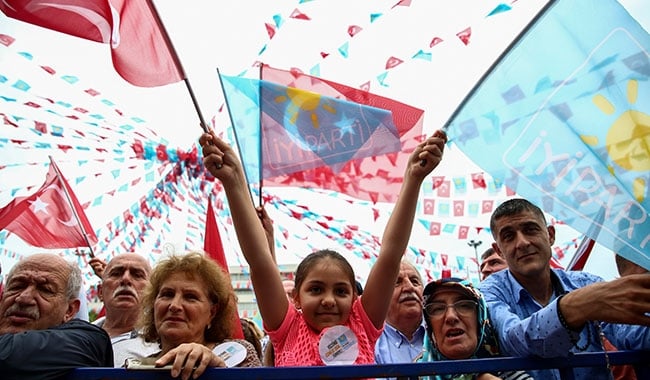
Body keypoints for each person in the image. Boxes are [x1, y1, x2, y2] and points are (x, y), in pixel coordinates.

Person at [200, 128, 447, 366]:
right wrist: (234, 181)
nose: (328, 300)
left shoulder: (362, 321)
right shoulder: (286, 328)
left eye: (341, 291)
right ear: (296, 297)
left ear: (354, 298)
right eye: (316, 290)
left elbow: (391, 255)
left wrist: (413, 178)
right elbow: (259, 259)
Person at [479, 198, 650, 379]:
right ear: (499, 250)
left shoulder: (585, 283)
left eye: (530, 230)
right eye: (509, 236)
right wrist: (574, 307)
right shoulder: (488, 294)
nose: (522, 242)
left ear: (551, 235)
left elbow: (630, 334)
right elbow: (512, 339)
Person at [134, 252, 260, 378]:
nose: (174, 306)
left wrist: (216, 369)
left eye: (190, 297)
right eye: (167, 294)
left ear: (212, 312)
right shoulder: (135, 368)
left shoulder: (238, 355)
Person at [0, 253, 113, 379]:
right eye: (17, 286)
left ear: (70, 310)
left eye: (45, 290)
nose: (24, 298)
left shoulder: (86, 341)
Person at [417, 277, 532, 380]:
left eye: (464, 305)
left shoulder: (511, 374)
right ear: (430, 326)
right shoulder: (414, 374)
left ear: (481, 319)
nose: (451, 317)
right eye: (438, 309)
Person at [91, 253, 159, 366]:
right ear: (100, 292)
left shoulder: (162, 345)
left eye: (137, 275)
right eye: (116, 274)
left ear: (152, 294)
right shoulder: (76, 337)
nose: (125, 279)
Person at [375, 260, 426, 365]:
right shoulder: (370, 346)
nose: (409, 287)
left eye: (415, 281)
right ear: (379, 296)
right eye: (397, 282)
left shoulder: (441, 334)